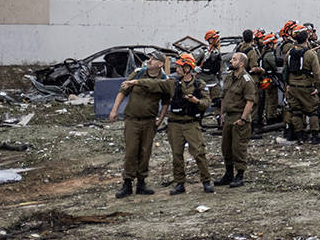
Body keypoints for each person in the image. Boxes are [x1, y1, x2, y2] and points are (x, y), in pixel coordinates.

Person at [108, 50, 169, 198]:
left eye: (153, 59)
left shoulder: (163, 79)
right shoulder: (138, 73)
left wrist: (160, 119)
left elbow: (166, 101)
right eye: (149, 58)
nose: (149, 61)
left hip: (149, 122)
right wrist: (114, 110)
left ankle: (141, 183)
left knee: (145, 152)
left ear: (160, 64)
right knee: (131, 152)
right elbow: (123, 91)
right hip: (132, 120)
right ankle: (127, 183)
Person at [163, 53, 213, 195]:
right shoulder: (173, 83)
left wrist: (196, 101)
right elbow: (157, 85)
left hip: (191, 123)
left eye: (179, 67)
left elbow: (206, 102)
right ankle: (179, 183)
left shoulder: (199, 84)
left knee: (199, 153)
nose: (177, 69)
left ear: (187, 68)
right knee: (177, 154)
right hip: (175, 124)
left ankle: (206, 181)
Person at [216, 51, 256, 188]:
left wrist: (243, 119)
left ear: (241, 63)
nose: (231, 61)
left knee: (238, 148)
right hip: (228, 117)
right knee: (226, 147)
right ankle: (228, 174)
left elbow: (250, 102)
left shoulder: (247, 80)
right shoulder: (229, 77)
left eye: (234, 59)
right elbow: (224, 97)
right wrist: (221, 114)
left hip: (239, 117)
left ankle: (240, 175)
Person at [284, 27, 320, 143]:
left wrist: (287, 84)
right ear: (306, 38)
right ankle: (314, 135)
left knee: (296, 111)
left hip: (292, 87)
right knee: (312, 111)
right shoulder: (310, 54)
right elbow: (317, 72)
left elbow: (285, 70)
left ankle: (300, 135)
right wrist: (318, 87)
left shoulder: (290, 53)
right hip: (306, 87)